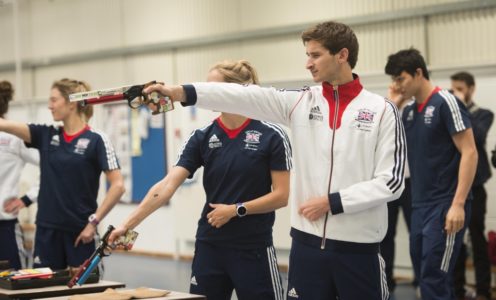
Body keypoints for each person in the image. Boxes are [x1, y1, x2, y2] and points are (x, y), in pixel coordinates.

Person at [142, 21, 406, 300]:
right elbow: (245, 95)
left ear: (342, 55)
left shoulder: (381, 111)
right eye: (307, 55)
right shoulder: (300, 102)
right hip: (306, 248)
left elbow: (392, 181)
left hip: (358, 249)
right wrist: (181, 92)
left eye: (315, 55)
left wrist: (334, 201)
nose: (308, 63)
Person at [109, 60, 291, 300]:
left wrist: (236, 210)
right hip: (210, 246)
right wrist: (127, 225)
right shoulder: (202, 137)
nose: (207, 94)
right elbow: (166, 186)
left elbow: (281, 195)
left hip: (253, 248)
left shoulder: (272, 135)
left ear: (234, 91)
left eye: (213, 88)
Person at [0, 78, 125, 271]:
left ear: (72, 103)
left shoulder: (97, 139)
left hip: (81, 233)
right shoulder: (45, 135)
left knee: (86, 293)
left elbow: (118, 186)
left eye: (54, 100)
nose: (49, 106)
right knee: (43, 291)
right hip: (46, 233)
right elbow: (5, 125)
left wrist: (94, 223)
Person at [385, 48, 478, 300]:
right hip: (420, 205)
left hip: (445, 204)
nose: (397, 85)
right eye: (393, 80)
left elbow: (470, 153)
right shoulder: (410, 111)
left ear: (418, 73)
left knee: (434, 277)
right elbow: (386, 142)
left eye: (400, 78)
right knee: (424, 274)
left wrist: (458, 204)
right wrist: (394, 103)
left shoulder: (446, 102)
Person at [450, 71, 493, 300]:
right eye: (453, 88)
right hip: (455, 189)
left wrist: (458, 107)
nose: (456, 92)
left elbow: (475, 136)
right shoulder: (450, 113)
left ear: (471, 89)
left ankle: (483, 291)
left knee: (477, 240)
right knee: (454, 242)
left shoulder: (484, 114)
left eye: (460, 88)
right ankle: (457, 291)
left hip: (476, 189)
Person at [380, 83, 416, 293]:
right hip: (388, 183)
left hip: (411, 183)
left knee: (416, 233)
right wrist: (394, 102)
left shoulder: (415, 109)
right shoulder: (386, 108)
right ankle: (386, 280)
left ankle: (420, 280)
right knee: (385, 234)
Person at [0, 80, 40, 270]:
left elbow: (53, 166)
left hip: (5, 229)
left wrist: (26, 199)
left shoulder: (14, 138)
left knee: (15, 288)